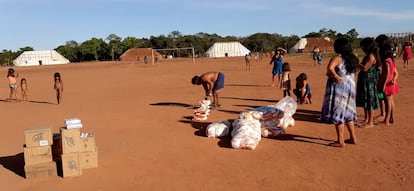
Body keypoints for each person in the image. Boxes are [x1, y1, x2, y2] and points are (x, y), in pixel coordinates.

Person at [321, 38, 359, 147]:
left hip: (339, 90)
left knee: (339, 113)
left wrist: (336, 77)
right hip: (350, 88)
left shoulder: (338, 58)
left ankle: (341, 141)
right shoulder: (354, 57)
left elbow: (330, 68)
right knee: (348, 114)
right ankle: (353, 138)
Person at [356, 37, 381, 128]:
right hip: (364, 81)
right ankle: (366, 119)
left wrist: (356, 61)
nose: (361, 48)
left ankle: (370, 122)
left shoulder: (371, 56)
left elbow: (365, 68)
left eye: (362, 46)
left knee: (369, 102)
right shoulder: (368, 55)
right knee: (365, 101)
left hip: (369, 82)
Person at [376, 35, 399, 126]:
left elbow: (387, 73)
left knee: (387, 101)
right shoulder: (391, 59)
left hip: (387, 82)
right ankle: (391, 118)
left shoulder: (386, 60)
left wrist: (384, 84)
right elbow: (395, 72)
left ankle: (387, 120)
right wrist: (394, 79)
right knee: (390, 100)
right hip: (390, 82)